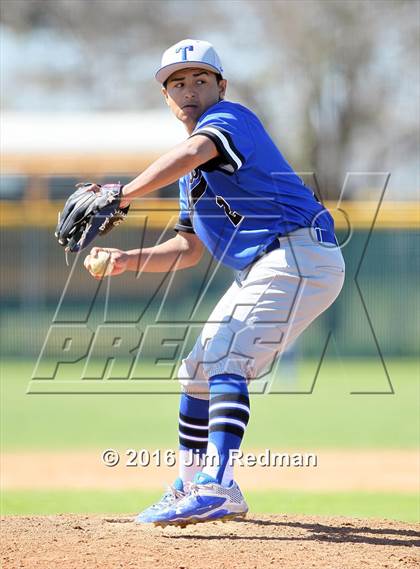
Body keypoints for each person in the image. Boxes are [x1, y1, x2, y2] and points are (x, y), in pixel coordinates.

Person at [84, 39, 345, 527]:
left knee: (228, 356)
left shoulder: (229, 121)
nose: (189, 91)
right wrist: (126, 259)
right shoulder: (190, 178)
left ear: (220, 87)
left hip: (298, 252)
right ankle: (191, 483)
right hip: (271, 263)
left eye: (201, 80)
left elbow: (195, 151)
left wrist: (122, 194)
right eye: (177, 84)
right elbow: (187, 249)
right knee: (198, 370)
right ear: (166, 98)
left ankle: (217, 486)